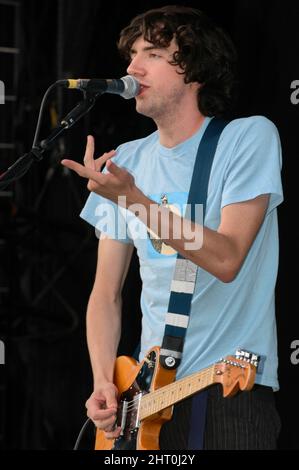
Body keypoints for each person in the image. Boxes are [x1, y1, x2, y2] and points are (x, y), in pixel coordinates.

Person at [61, 5, 283, 450]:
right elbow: (105, 293)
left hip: (228, 391)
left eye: (154, 52)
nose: (132, 66)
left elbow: (226, 258)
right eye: (131, 53)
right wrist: (103, 381)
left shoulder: (248, 138)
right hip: (143, 400)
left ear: (194, 68)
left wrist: (133, 199)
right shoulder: (128, 159)